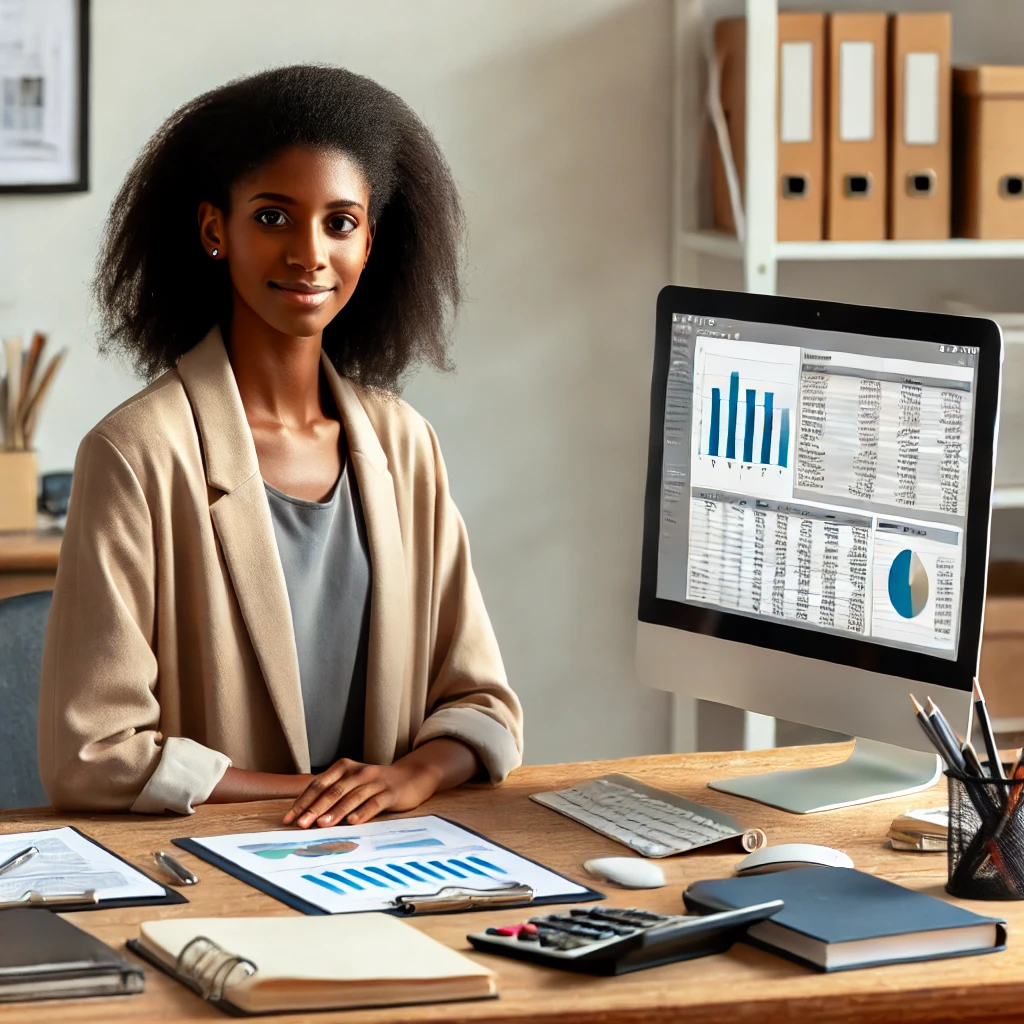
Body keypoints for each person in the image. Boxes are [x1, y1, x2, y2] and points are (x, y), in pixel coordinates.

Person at [38, 65, 523, 828]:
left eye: (339, 222)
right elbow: (93, 756)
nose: (309, 253)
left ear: (371, 242)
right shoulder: (136, 454)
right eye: (272, 218)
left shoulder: (405, 444)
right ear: (214, 231)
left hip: (398, 866)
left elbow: (483, 706)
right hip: (217, 879)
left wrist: (410, 780)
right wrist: (314, 797)